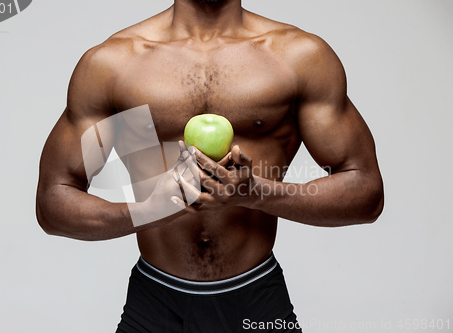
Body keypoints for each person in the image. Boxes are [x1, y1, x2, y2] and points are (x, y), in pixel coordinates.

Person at [36, 0, 384, 331]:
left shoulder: (299, 57)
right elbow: (54, 200)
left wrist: (259, 193)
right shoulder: (113, 64)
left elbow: (366, 192)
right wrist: (147, 210)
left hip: (257, 299)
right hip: (155, 302)